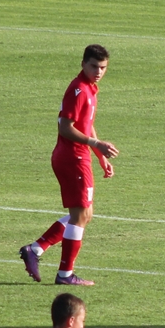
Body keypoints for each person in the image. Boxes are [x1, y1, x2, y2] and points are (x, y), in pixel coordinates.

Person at [19, 44, 120, 287]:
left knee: (84, 215)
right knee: (81, 215)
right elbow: (66, 126)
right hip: (72, 157)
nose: (98, 71)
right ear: (83, 63)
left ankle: (36, 248)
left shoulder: (90, 89)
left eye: (103, 67)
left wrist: (99, 155)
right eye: (94, 66)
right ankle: (64, 274)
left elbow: (86, 124)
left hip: (78, 155)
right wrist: (96, 143)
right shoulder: (78, 90)